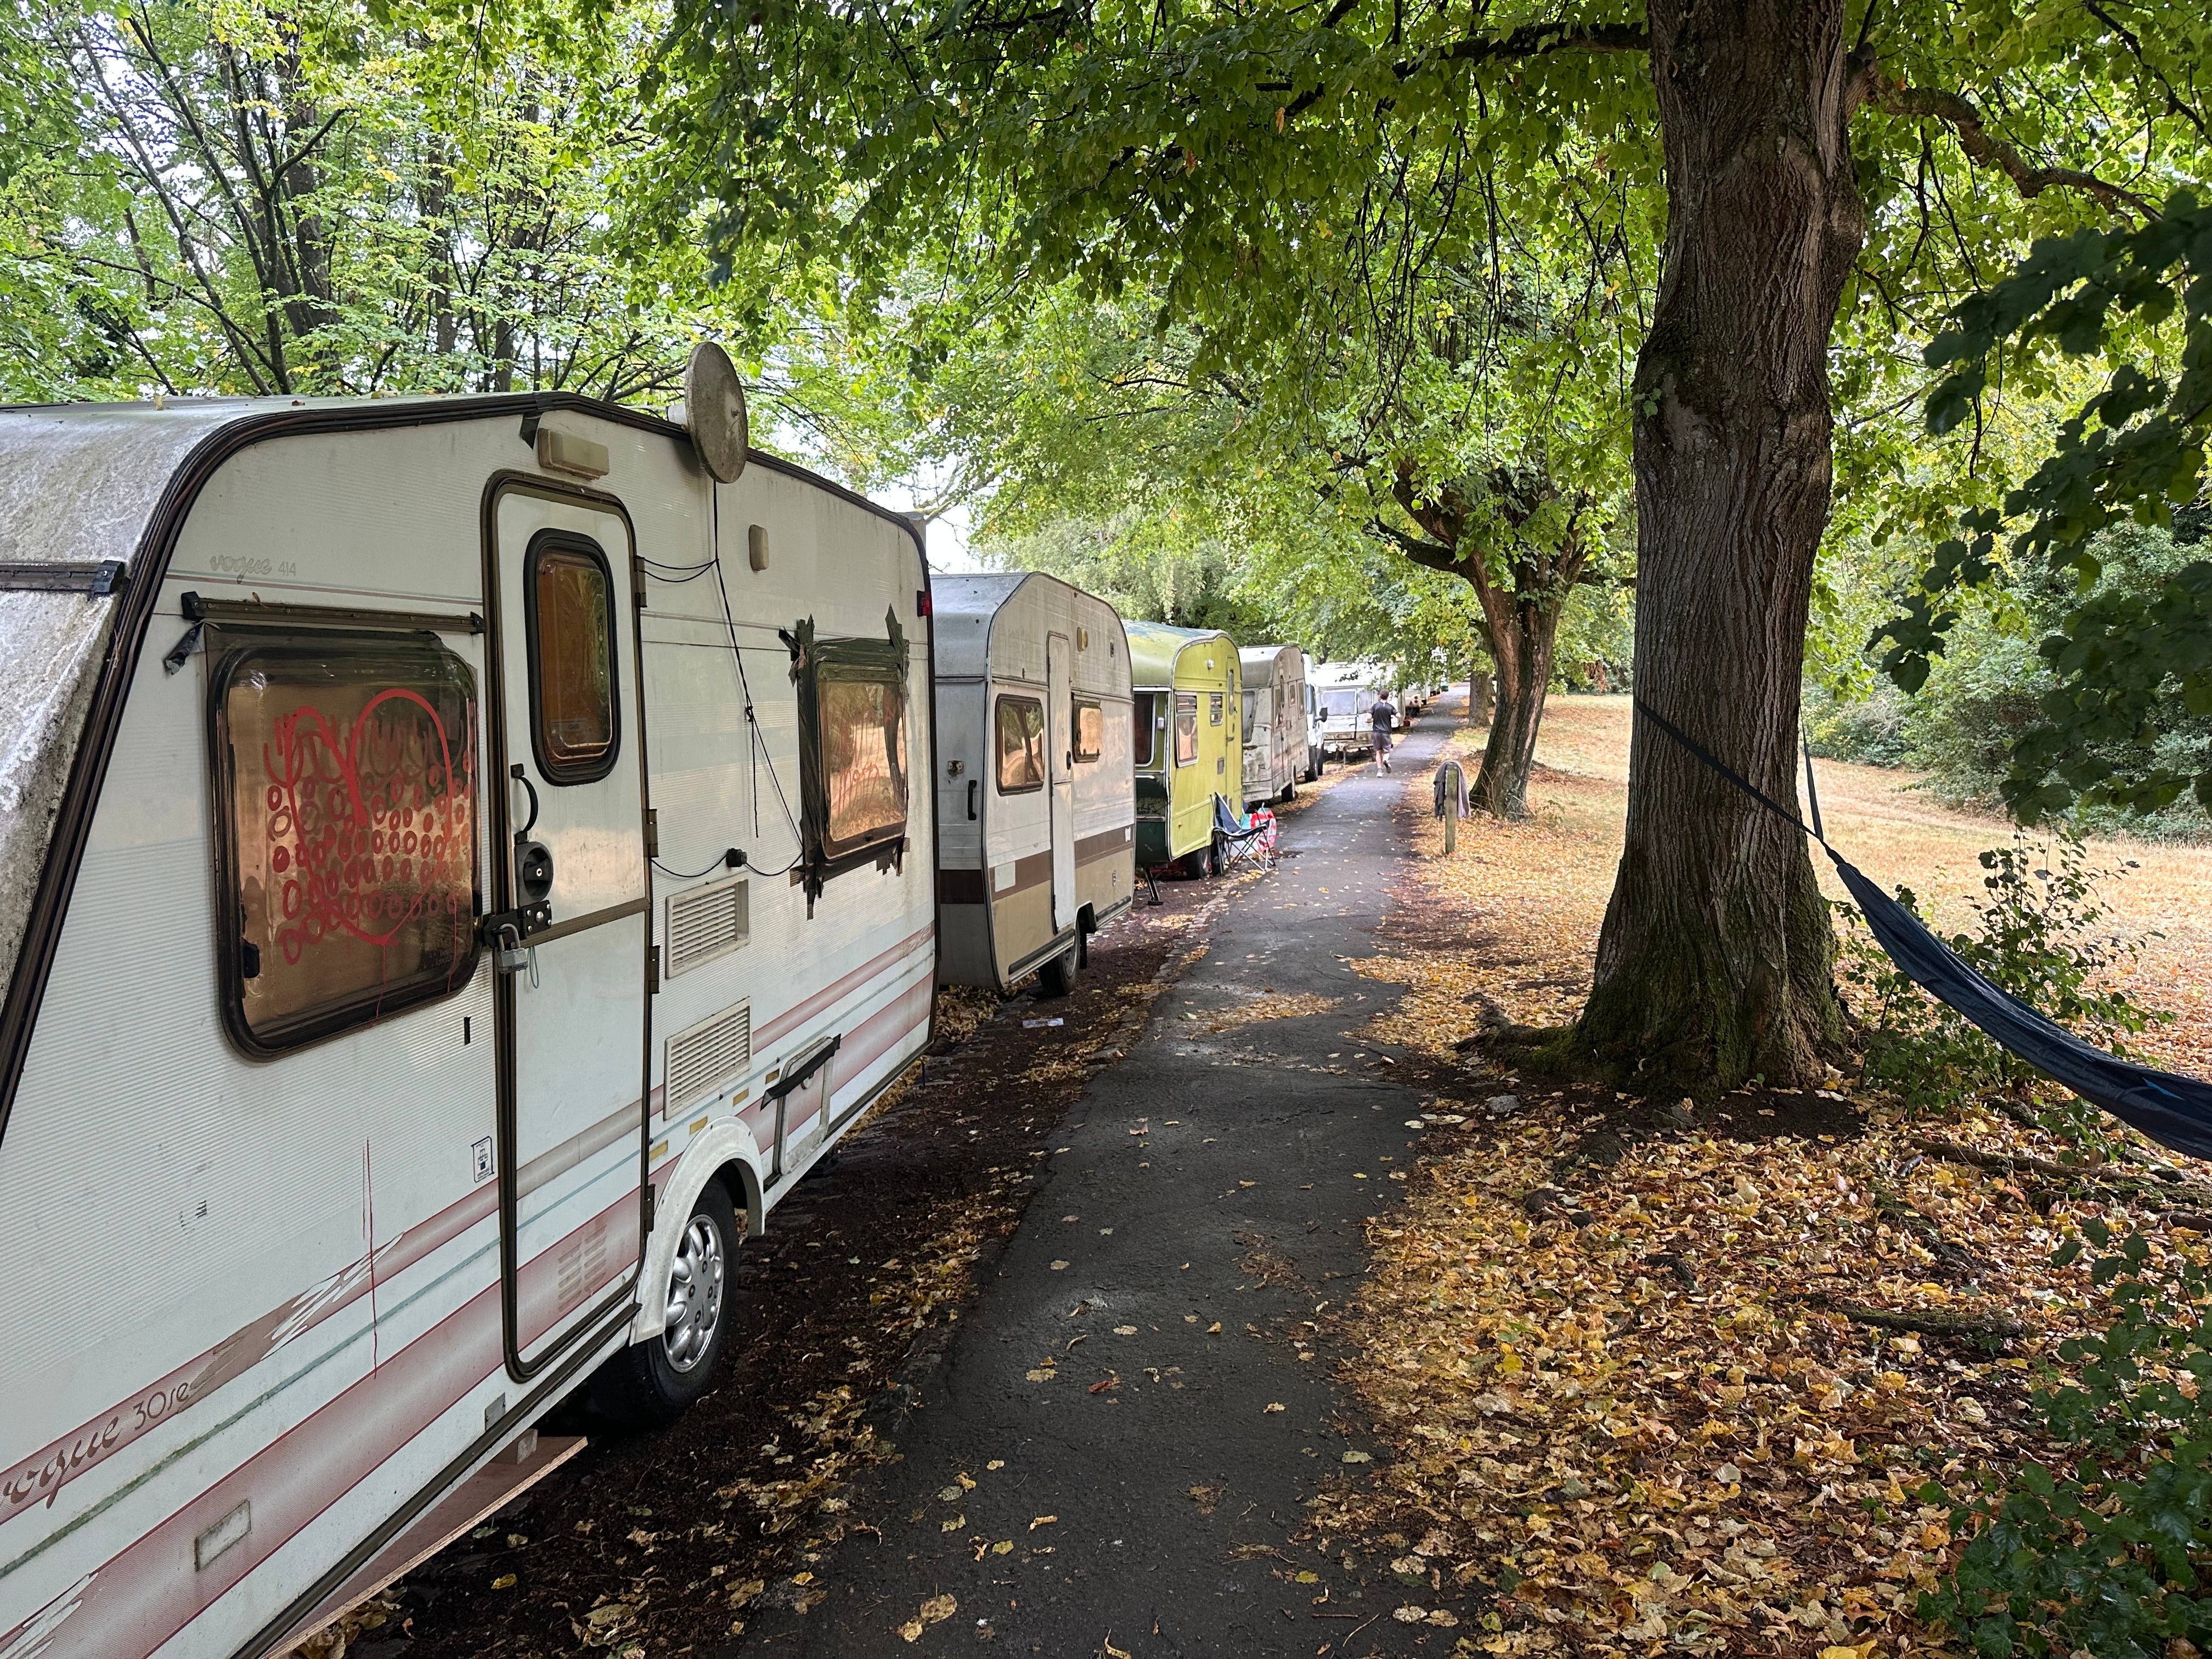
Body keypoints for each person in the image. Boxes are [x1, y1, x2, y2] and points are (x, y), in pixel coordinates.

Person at [1369, 693, 1398, 772]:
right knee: (1387, 751)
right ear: (1387, 697)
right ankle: (1385, 760)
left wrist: (1372, 720)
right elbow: (1398, 715)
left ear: (1380, 696)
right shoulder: (1390, 707)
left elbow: (1368, 717)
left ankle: (1379, 771)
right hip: (1386, 732)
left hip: (1376, 732)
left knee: (1378, 751)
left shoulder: (1375, 706)